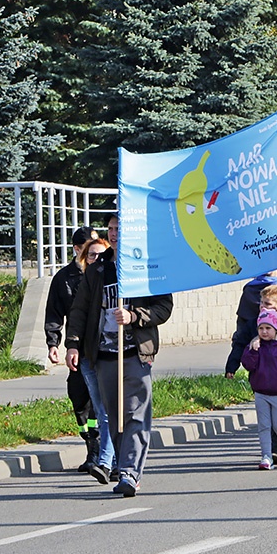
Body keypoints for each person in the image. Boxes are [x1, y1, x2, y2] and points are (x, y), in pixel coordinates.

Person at [64, 213, 174, 497]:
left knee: (136, 414)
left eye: (119, 228)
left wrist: (134, 315)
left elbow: (164, 307)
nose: (114, 234)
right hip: (103, 356)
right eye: (111, 229)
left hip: (136, 354)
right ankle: (122, 464)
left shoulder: (146, 265)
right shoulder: (98, 269)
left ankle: (129, 472)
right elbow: (79, 310)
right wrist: (73, 344)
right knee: (114, 417)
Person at [44, 226, 98, 474]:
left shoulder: (104, 273)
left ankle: (101, 453)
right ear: (77, 249)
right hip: (77, 350)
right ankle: (90, 448)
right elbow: (54, 312)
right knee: (79, 401)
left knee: (100, 402)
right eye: (89, 248)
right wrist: (53, 343)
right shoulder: (63, 279)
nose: (95, 253)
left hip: (102, 348)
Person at [73, 237, 117, 483]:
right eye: (91, 255)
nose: (95, 258)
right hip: (90, 354)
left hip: (119, 354)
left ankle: (108, 461)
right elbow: (74, 313)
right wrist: (70, 345)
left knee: (111, 410)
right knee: (100, 409)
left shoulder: (116, 272)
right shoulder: (75, 280)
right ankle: (105, 459)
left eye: (99, 254)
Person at [241, 310, 277, 470]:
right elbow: (248, 365)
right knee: (264, 426)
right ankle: (266, 456)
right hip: (261, 393)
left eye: (268, 328)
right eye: (261, 328)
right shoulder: (255, 346)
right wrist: (252, 350)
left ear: (276, 329)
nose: (264, 332)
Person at [225, 269, 277, 379]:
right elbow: (240, 342)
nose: (263, 306)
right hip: (258, 377)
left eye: (267, 304)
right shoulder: (252, 323)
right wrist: (232, 366)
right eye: (261, 303)